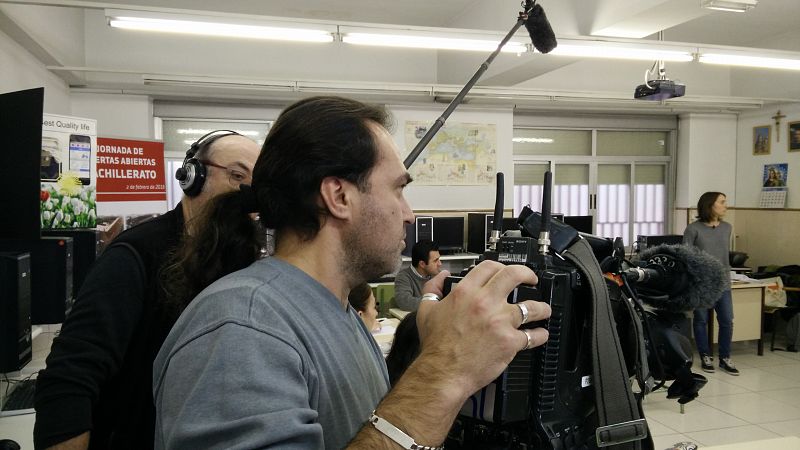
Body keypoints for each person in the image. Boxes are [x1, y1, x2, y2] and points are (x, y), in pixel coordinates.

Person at [153, 96, 551, 449]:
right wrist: (444, 371)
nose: (409, 214)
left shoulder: (337, 310)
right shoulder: (243, 328)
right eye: (398, 189)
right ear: (339, 196)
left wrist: (435, 354)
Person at [33, 131, 261, 450]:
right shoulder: (134, 254)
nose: (247, 192)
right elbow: (69, 380)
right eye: (237, 175)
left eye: (256, 183)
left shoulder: (241, 262)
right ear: (192, 176)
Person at [684, 191, 739, 376]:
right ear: (710, 205)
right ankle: (705, 356)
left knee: (726, 321)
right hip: (702, 283)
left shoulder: (727, 227)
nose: (725, 206)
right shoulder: (693, 229)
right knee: (701, 321)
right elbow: (686, 257)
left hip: (723, 283)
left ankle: (725, 357)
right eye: (722, 202)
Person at [394, 239, 442, 311]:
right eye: (435, 261)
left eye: (439, 259)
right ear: (422, 264)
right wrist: (438, 304)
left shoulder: (438, 275)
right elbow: (405, 302)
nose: (440, 264)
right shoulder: (404, 277)